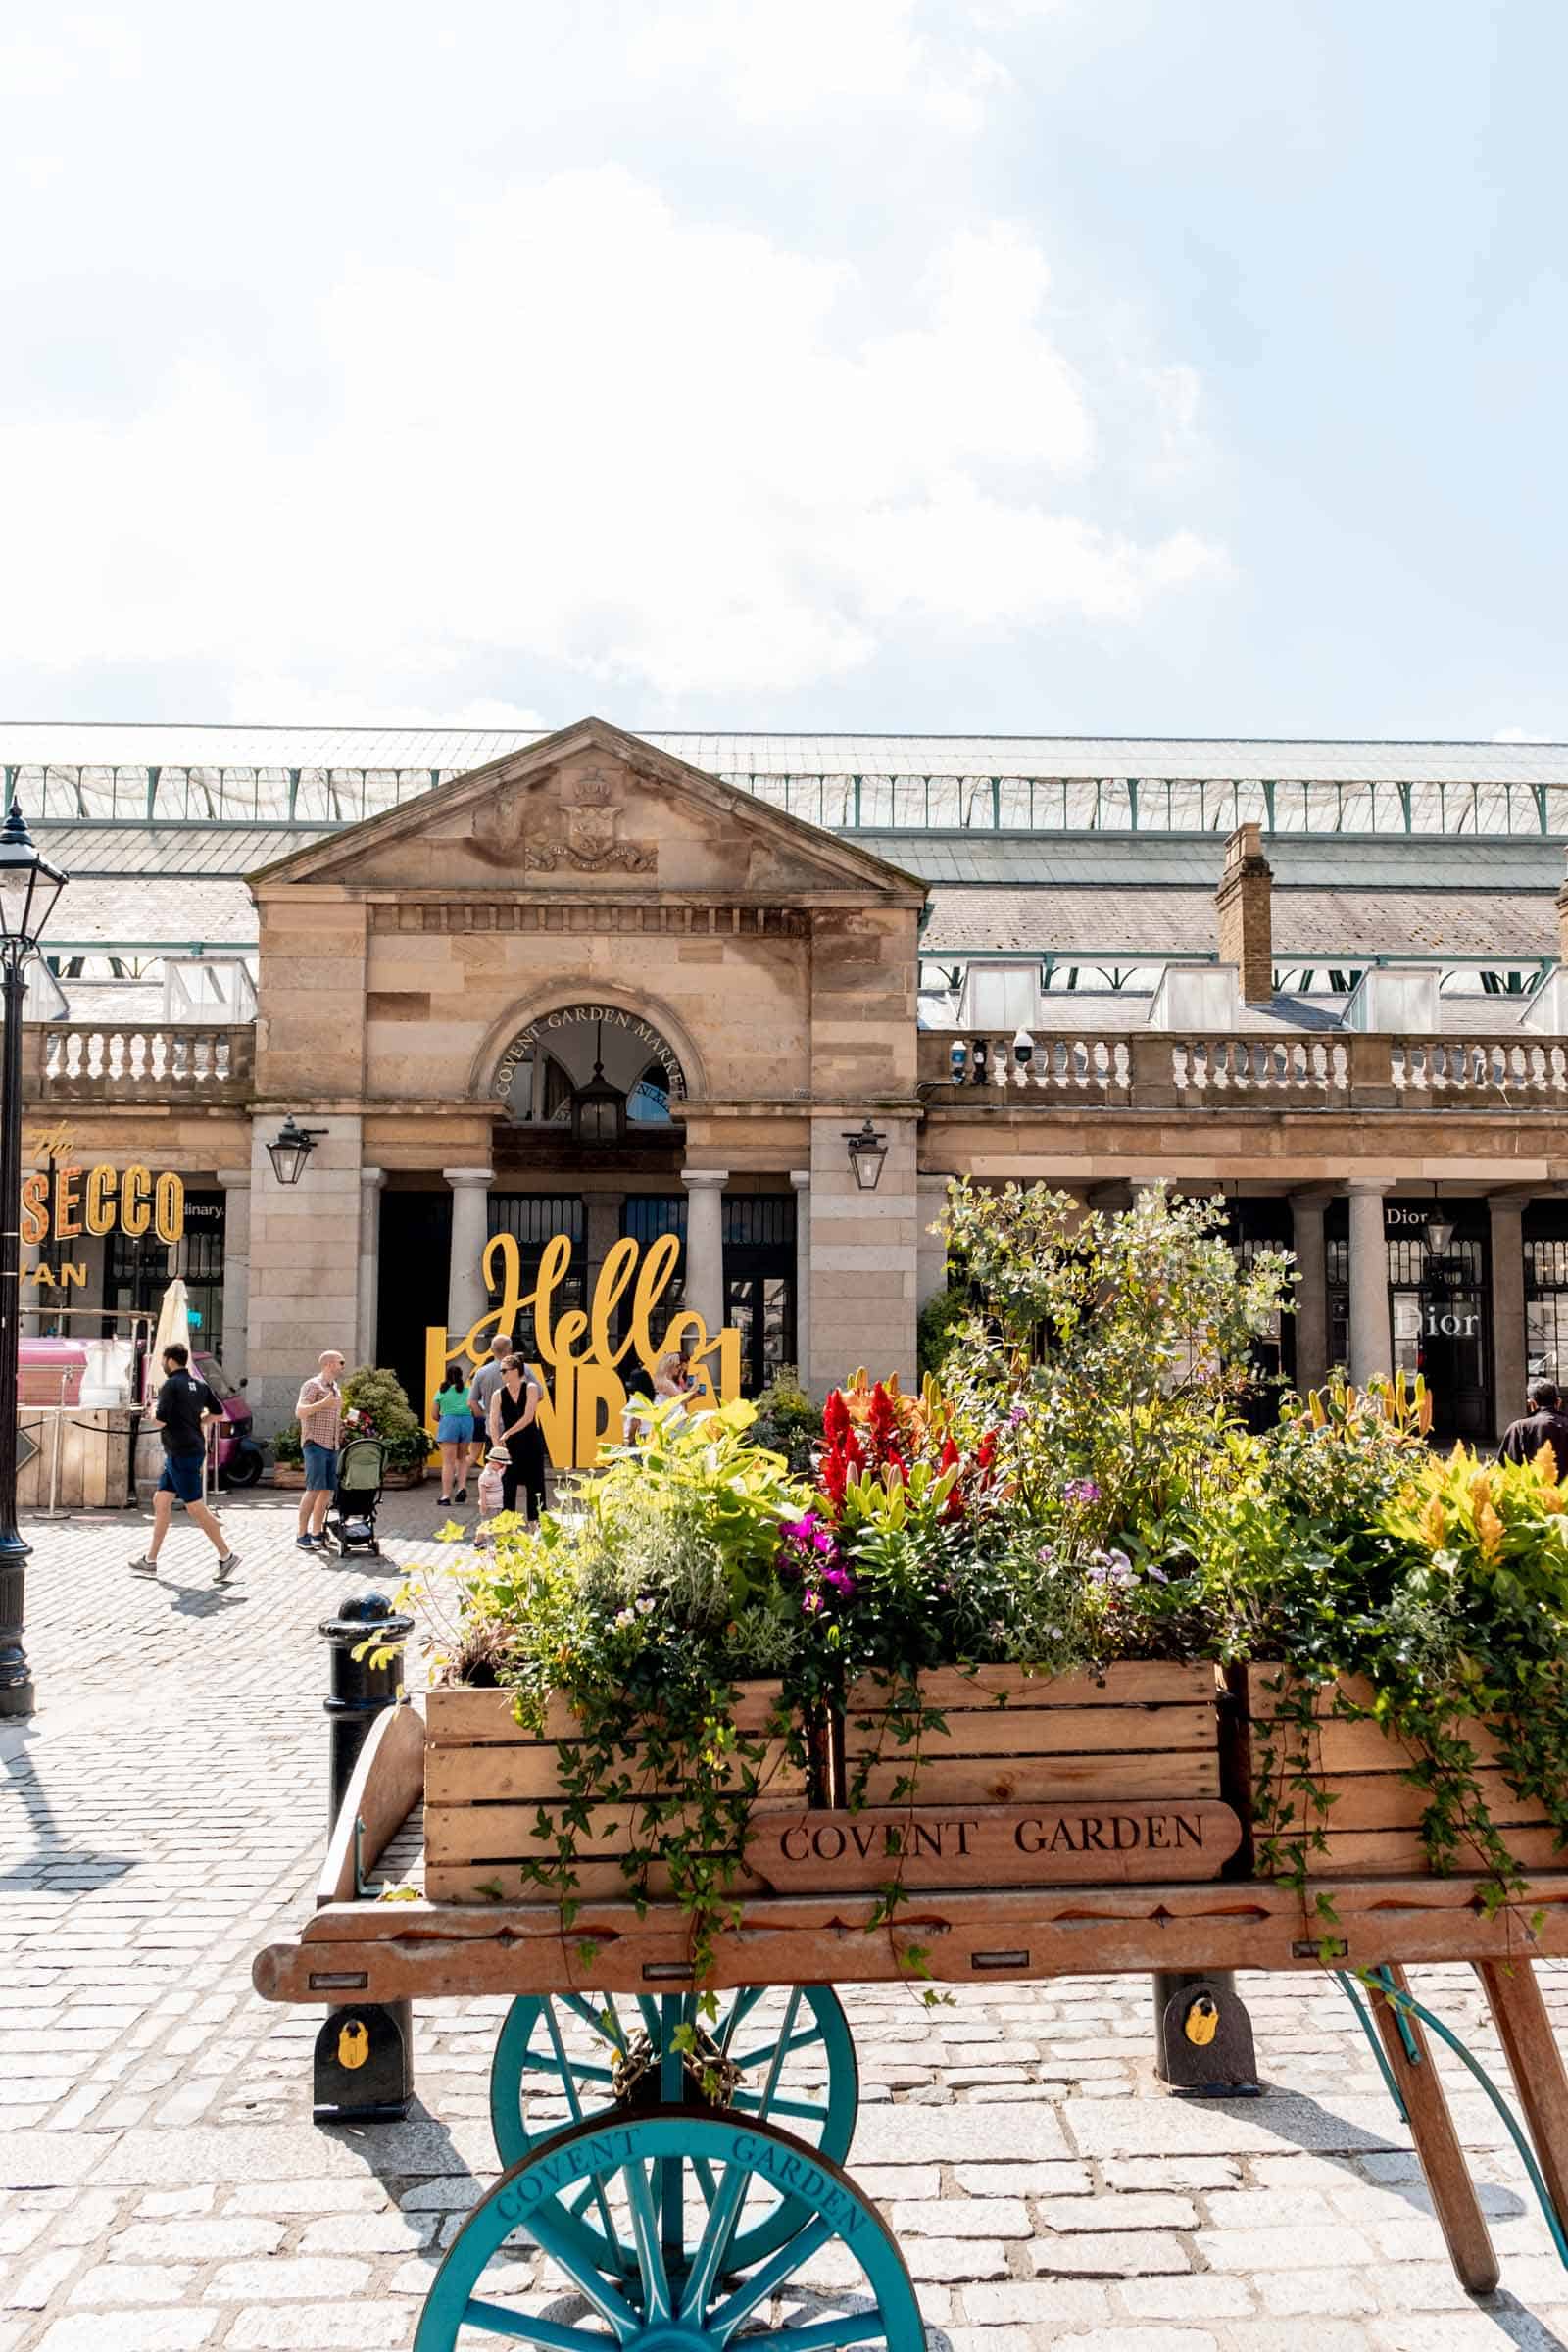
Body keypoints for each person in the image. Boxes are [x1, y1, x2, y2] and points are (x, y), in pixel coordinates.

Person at [128, 1344, 240, 1585]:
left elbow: (160, 1420)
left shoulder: (170, 1385)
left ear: (170, 1360)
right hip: (188, 1450)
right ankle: (150, 1560)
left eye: (162, 1360)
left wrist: (148, 1415)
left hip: (181, 1452)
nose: (161, 1364)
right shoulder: (199, 1385)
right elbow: (218, 1413)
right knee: (161, 1501)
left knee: (195, 1508)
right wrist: (199, 1420)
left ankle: (226, 1555)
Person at [488, 1351, 548, 1524]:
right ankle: (507, 1527)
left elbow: (529, 1417)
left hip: (531, 1442)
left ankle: (536, 1526)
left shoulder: (531, 1388)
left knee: (536, 1485)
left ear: (515, 1371)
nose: (501, 1374)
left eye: (504, 1370)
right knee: (507, 1486)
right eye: (501, 1371)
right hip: (510, 1447)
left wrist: (507, 1432)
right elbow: (492, 1422)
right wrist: (497, 1448)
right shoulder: (498, 1394)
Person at [295, 1350, 346, 1550]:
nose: (343, 1365)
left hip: (332, 1445)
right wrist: (322, 1404)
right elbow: (299, 1412)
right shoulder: (312, 1385)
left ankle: (317, 1533)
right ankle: (301, 1534)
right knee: (313, 1489)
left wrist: (343, 1423)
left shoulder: (335, 1387)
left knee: (327, 1491)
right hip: (315, 1443)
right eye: (340, 1362)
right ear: (329, 1364)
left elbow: (330, 1415)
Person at [466, 1334, 515, 1497]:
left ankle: (491, 1498)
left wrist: (486, 1416)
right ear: (509, 1349)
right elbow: (540, 1394)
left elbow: (472, 1402)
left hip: (491, 1429)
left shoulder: (482, 1373)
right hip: (516, 1428)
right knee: (514, 1470)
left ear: (492, 1350)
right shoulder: (521, 1370)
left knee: (493, 1467)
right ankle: (508, 1500)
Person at [1498, 1380, 1568, 1471]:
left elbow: (1507, 1466)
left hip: (1531, 1485)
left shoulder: (1518, 1428)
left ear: (1531, 1404)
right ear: (1558, 1402)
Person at [432, 1370, 474, 1505]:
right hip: (467, 1422)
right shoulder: (468, 1391)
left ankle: (445, 1497)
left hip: (449, 1421)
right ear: (461, 1376)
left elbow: (434, 1415)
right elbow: (473, 1407)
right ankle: (461, 1488)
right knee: (462, 1459)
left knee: (448, 1462)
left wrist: (444, 1420)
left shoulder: (441, 1391)